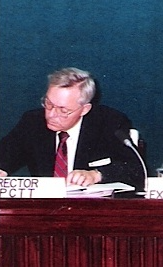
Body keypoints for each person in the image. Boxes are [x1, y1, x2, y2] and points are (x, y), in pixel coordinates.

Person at [0, 67, 143, 188]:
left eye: (63, 110)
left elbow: (136, 169)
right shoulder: (33, 122)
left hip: (91, 212)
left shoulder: (109, 123)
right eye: (48, 104)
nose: (51, 115)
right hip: (43, 211)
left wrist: (96, 174)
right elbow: (7, 153)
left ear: (84, 109)